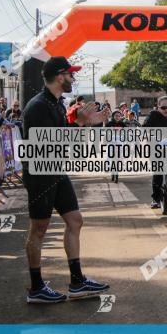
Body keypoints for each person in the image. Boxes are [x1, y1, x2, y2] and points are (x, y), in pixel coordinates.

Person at [21, 56, 110, 304]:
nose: (73, 78)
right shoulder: (38, 106)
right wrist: (81, 123)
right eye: (71, 74)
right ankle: (36, 288)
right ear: (60, 76)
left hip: (57, 171)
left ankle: (77, 282)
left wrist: (84, 125)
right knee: (39, 228)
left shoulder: (58, 103)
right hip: (40, 174)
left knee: (75, 220)